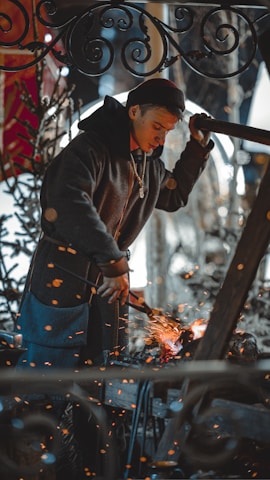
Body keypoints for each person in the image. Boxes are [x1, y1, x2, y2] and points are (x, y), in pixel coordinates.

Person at [16, 78, 214, 369]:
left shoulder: (146, 162)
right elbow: (69, 202)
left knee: (101, 374)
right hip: (63, 277)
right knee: (48, 377)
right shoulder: (90, 148)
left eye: (168, 131)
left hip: (108, 289)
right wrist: (113, 261)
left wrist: (197, 146)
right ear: (134, 112)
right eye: (156, 127)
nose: (161, 139)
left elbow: (171, 194)